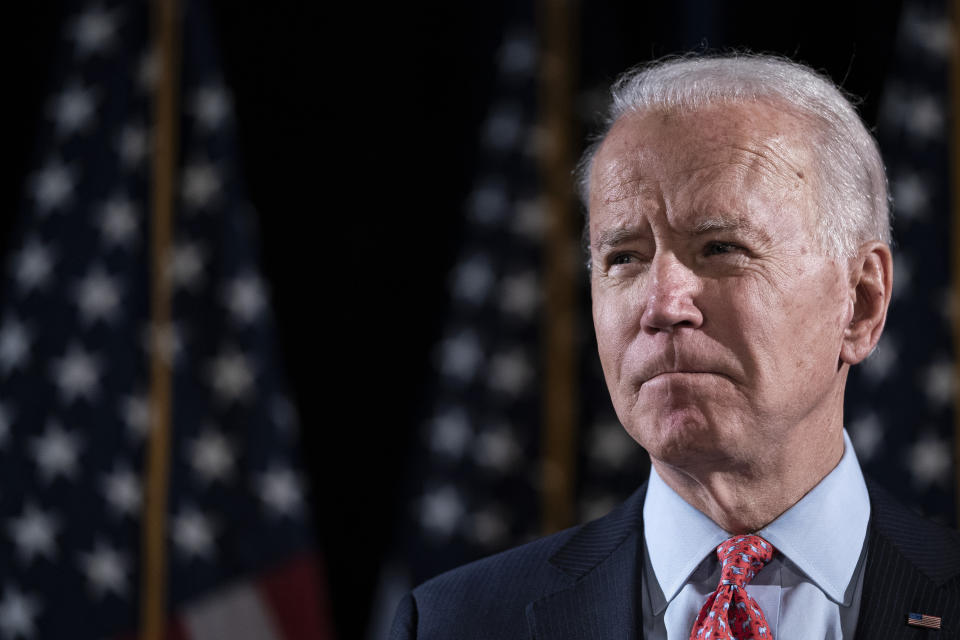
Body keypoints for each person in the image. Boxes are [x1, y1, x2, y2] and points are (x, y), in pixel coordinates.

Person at [390, 54, 960, 639]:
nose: (662, 305)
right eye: (625, 258)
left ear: (860, 303)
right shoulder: (452, 623)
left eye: (720, 248)